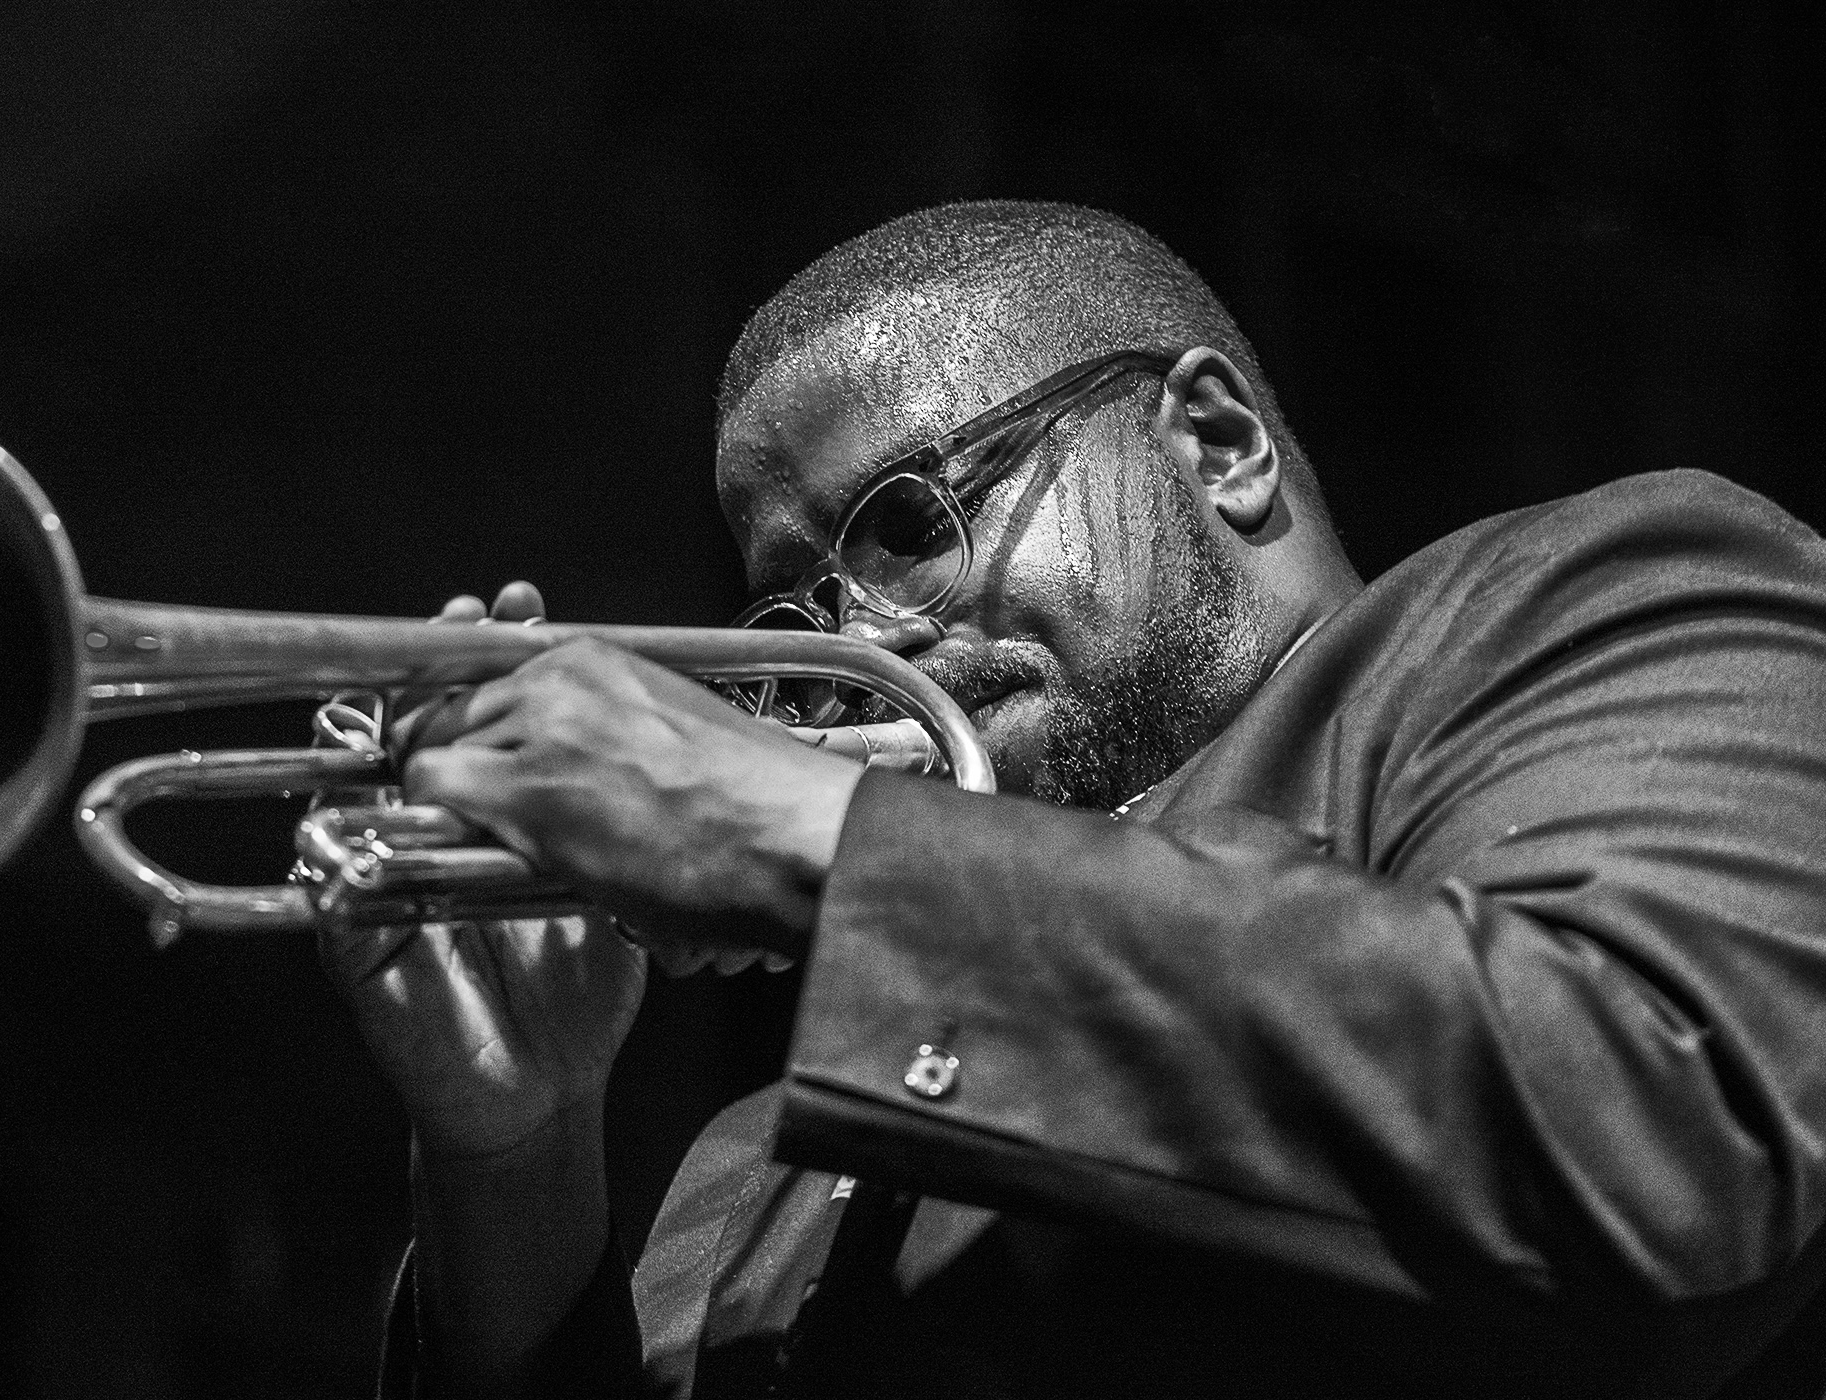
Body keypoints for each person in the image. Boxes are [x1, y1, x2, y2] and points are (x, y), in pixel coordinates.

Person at [318, 202, 1826, 1398]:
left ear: (1217, 444)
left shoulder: (1598, 597)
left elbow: (1663, 1146)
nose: (859, 648)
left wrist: (802, 840)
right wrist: (517, 1155)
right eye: (798, 619)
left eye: (907, 525)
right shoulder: (766, 1156)